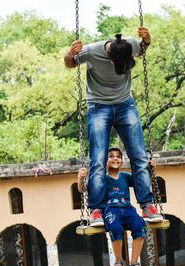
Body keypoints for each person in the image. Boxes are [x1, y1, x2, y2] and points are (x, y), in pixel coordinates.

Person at [65, 27, 163, 226]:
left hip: (126, 104)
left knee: (139, 156)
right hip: (98, 106)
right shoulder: (91, 51)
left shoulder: (130, 45)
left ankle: (147, 205)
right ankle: (96, 210)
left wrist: (147, 42)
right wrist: (70, 54)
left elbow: (141, 49)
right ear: (110, 59)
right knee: (99, 159)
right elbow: (70, 64)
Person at [78, 147, 148, 266]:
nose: (115, 158)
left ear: (121, 162)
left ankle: (134, 263)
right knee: (116, 229)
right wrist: (80, 178)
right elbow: (83, 189)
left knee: (140, 226)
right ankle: (119, 261)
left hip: (127, 209)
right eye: (111, 156)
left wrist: (149, 169)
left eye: (118, 156)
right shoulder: (101, 178)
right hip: (111, 210)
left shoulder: (125, 177)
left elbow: (141, 181)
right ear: (104, 161)